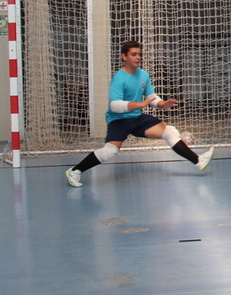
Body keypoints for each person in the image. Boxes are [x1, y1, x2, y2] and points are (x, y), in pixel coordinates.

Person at [65, 40, 213, 187]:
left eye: (139, 54)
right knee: (109, 152)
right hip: (119, 120)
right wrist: (139, 104)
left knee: (168, 132)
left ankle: (199, 161)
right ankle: (75, 170)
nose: (138, 57)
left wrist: (163, 104)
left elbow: (151, 98)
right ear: (124, 57)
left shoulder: (143, 75)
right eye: (133, 54)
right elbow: (114, 105)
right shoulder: (119, 78)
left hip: (137, 118)